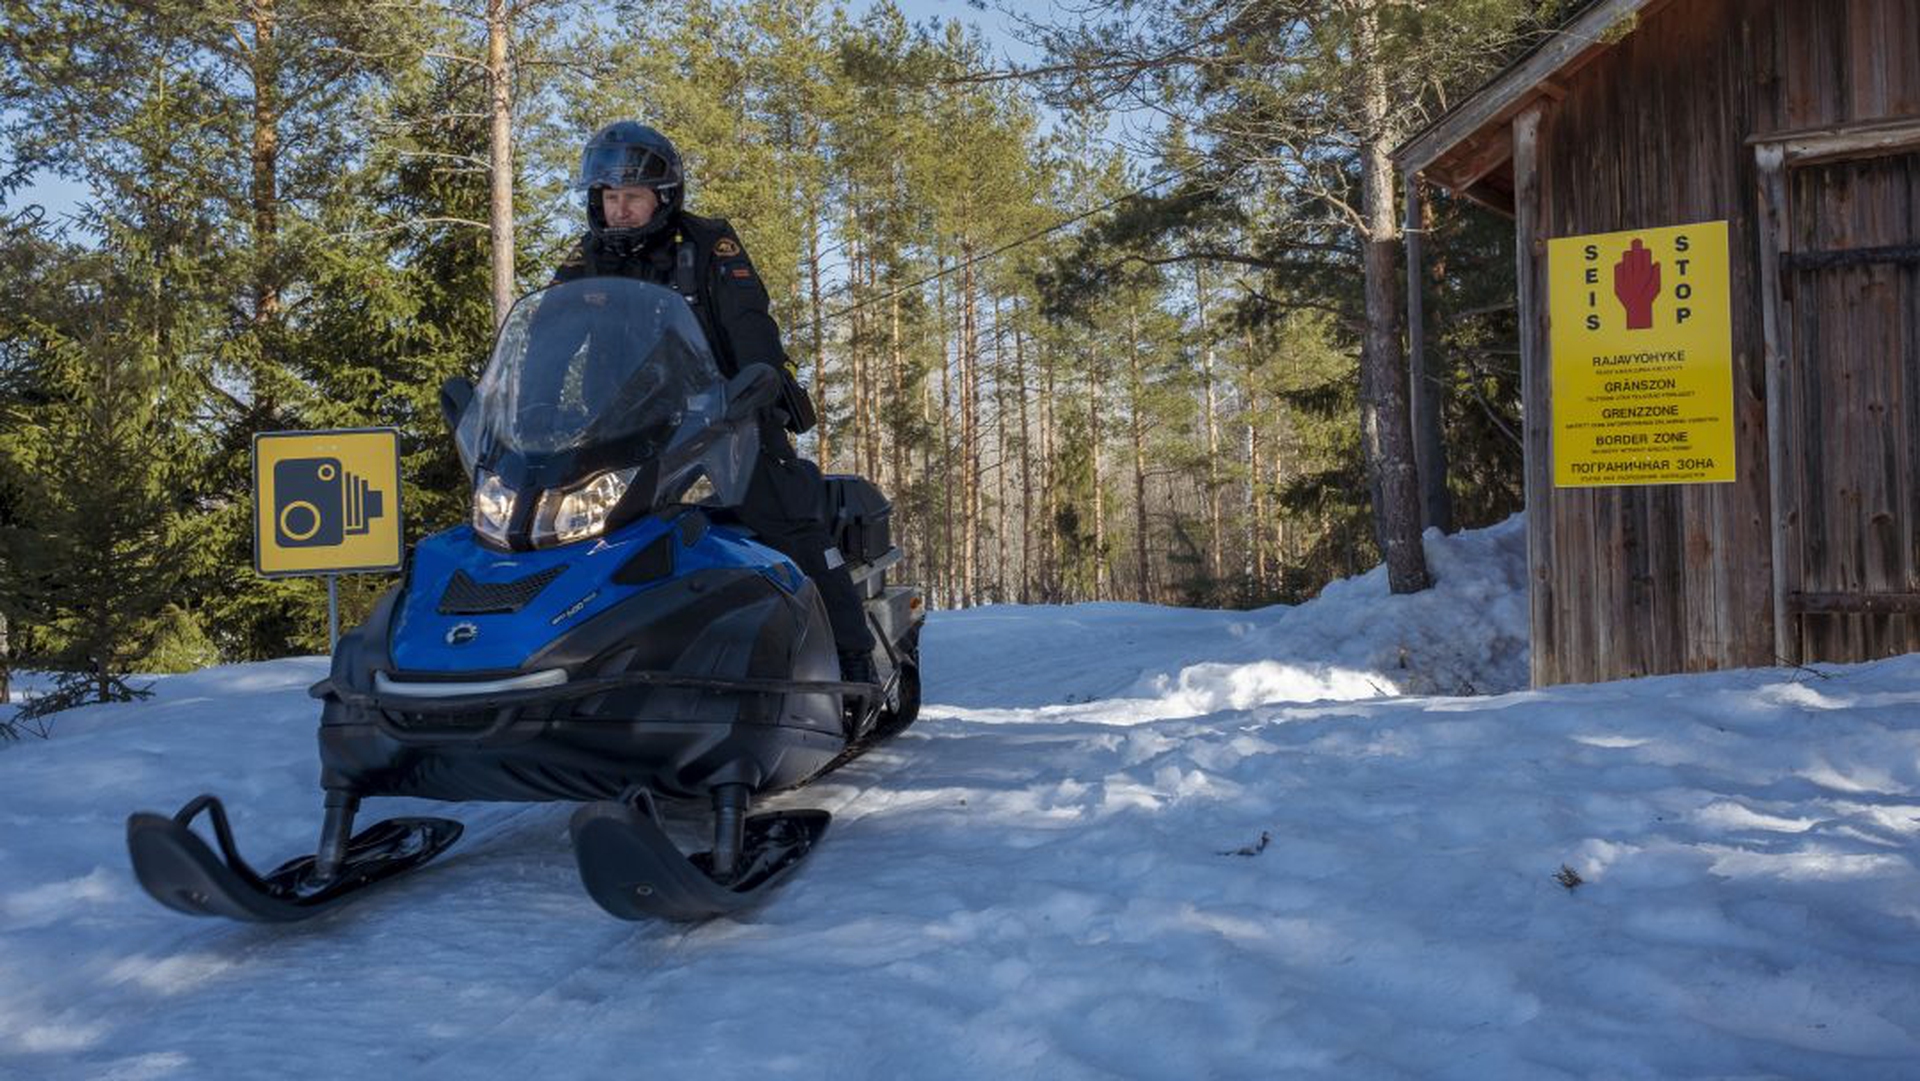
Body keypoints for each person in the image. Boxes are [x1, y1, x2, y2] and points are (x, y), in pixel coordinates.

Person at [552, 121, 878, 685]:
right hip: (624, 435)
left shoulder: (708, 246)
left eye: (632, 197)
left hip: (727, 421)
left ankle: (852, 667)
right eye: (610, 198)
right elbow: (547, 341)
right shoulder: (587, 264)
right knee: (564, 531)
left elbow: (750, 325)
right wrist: (524, 409)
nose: (620, 210)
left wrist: (755, 381)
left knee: (784, 518)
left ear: (663, 197)